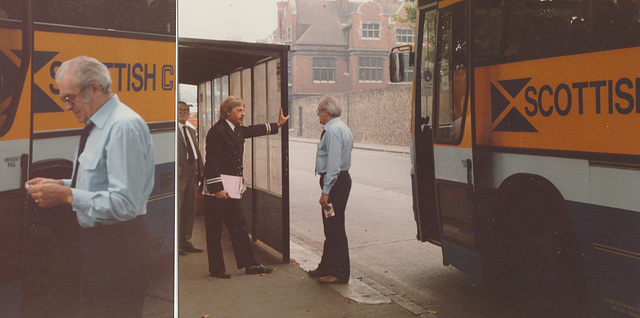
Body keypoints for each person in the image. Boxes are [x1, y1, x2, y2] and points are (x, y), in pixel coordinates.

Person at [25, 56, 154, 318]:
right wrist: (59, 184)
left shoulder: (122, 126)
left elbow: (125, 203)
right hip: (100, 246)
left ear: (93, 89)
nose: (66, 106)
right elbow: (100, 182)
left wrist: (67, 195)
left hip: (118, 248)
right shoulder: (98, 126)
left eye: (69, 98)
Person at [203, 96, 289, 279]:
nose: (243, 113)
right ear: (228, 112)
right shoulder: (217, 132)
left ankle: (249, 264)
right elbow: (211, 163)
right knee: (214, 230)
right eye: (239, 110)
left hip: (231, 189)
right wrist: (218, 189)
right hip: (217, 191)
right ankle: (216, 269)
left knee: (240, 226)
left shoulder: (236, 130)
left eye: (243, 110)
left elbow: (254, 130)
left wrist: (278, 125)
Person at [308, 96, 353, 284]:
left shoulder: (333, 131)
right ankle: (326, 266)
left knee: (335, 229)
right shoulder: (341, 128)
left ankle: (339, 272)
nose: (317, 114)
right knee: (331, 227)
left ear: (326, 112)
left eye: (319, 111)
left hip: (334, 182)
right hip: (338, 180)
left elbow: (334, 164)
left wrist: (326, 191)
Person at [177, 101, 204, 256]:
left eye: (186, 110)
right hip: (180, 174)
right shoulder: (173, 130)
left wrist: (201, 172)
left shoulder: (191, 130)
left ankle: (185, 241)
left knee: (189, 208)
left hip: (192, 174)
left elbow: (197, 152)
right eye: (180, 110)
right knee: (178, 209)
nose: (183, 112)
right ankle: (177, 243)